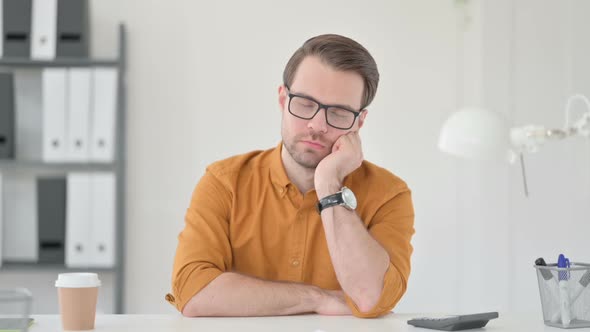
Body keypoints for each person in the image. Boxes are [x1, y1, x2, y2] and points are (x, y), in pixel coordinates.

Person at [165, 34, 415, 318]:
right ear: (283, 99)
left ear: (359, 122)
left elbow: (371, 298)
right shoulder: (225, 182)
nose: (317, 124)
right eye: (306, 104)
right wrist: (315, 298)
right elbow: (193, 291)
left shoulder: (389, 194)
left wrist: (329, 186)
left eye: (339, 112)